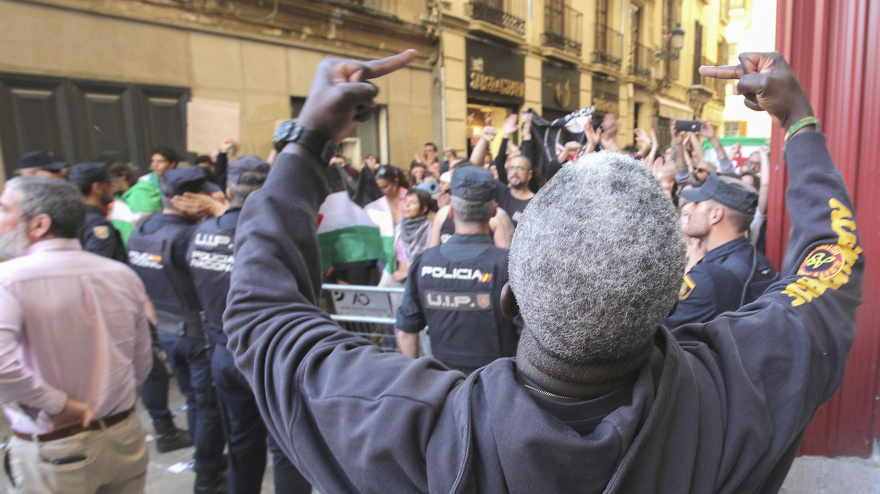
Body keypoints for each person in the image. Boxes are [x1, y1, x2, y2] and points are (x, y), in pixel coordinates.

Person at [223, 50, 863, 492]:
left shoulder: (398, 431)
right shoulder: (747, 386)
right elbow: (830, 268)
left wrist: (307, 141)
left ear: (510, 299)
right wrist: (798, 121)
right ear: (675, 295)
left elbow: (261, 315)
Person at [0, 177, 152, 493]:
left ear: (38, 224)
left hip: (59, 449)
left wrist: (57, 405)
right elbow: (141, 363)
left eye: (4, 209)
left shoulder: (9, 280)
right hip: (123, 435)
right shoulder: (121, 275)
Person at [187, 156, 310, 494]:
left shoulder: (202, 233)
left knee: (242, 444)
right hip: (268, 357)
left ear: (227, 190)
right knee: (288, 449)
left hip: (225, 353)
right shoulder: (274, 235)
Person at [127, 167, 227, 493]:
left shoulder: (142, 229)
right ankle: (208, 475)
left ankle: (206, 461)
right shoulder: (190, 236)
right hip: (198, 332)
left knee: (196, 402)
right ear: (187, 198)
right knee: (208, 406)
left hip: (167, 329)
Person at [395, 166, 518, 374]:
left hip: (444, 384)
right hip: (499, 384)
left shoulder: (424, 262)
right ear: (494, 212)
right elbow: (527, 332)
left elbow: (406, 332)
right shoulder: (508, 265)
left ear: (451, 212)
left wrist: (416, 381)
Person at [664, 172, 779, 328]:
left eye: (697, 203)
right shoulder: (760, 262)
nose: (690, 210)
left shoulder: (706, 277)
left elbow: (660, 332)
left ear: (715, 215)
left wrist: (691, 268)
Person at [67, 162, 128, 264]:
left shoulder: (68, 217)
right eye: (109, 184)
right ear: (97, 188)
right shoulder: (98, 224)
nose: (113, 187)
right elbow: (97, 266)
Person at [391, 188, 434, 283]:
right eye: (406, 201)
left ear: (423, 209)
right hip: (398, 281)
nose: (407, 205)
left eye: (412, 202)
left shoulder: (431, 228)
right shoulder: (399, 226)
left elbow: (432, 258)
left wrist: (407, 272)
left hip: (420, 281)